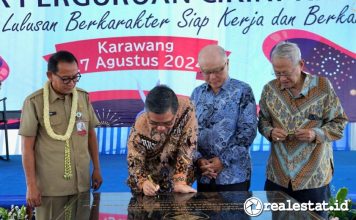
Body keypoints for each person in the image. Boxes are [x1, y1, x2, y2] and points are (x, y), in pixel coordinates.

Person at [258, 42, 348, 218]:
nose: (282, 78)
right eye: (277, 73)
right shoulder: (270, 89)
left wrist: (316, 134)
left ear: (301, 65)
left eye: (286, 73)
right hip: (278, 177)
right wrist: (269, 131)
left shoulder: (322, 87)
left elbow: (339, 122)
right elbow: (262, 121)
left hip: (313, 178)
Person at [19, 51, 103, 218]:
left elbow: (90, 135)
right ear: (50, 75)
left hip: (82, 184)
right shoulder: (35, 102)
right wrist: (31, 185)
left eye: (75, 77)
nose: (71, 83)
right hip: (51, 188)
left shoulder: (83, 97)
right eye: (66, 78)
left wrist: (97, 168)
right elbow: (27, 147)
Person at [191, 45, 257, 192]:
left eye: (218, 70)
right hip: (205, 175)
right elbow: (189, 133)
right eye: (206, 72)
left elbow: (248, 132)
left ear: (227, 63)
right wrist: (199, 160)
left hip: (234, 176)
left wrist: (223, 160)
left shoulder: (243, 91)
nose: (212, 77)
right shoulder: (197, 93)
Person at [127, 85, 197, 196]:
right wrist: (143, 182)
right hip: (150, 181)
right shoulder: (140, 126)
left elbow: (187, 144)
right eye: (154, 123)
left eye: (167, 123)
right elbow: (134, 160)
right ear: (147, 114)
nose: (160, 128)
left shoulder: (186, 110)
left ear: (175, 113)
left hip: (178, 176)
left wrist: (179, 180)